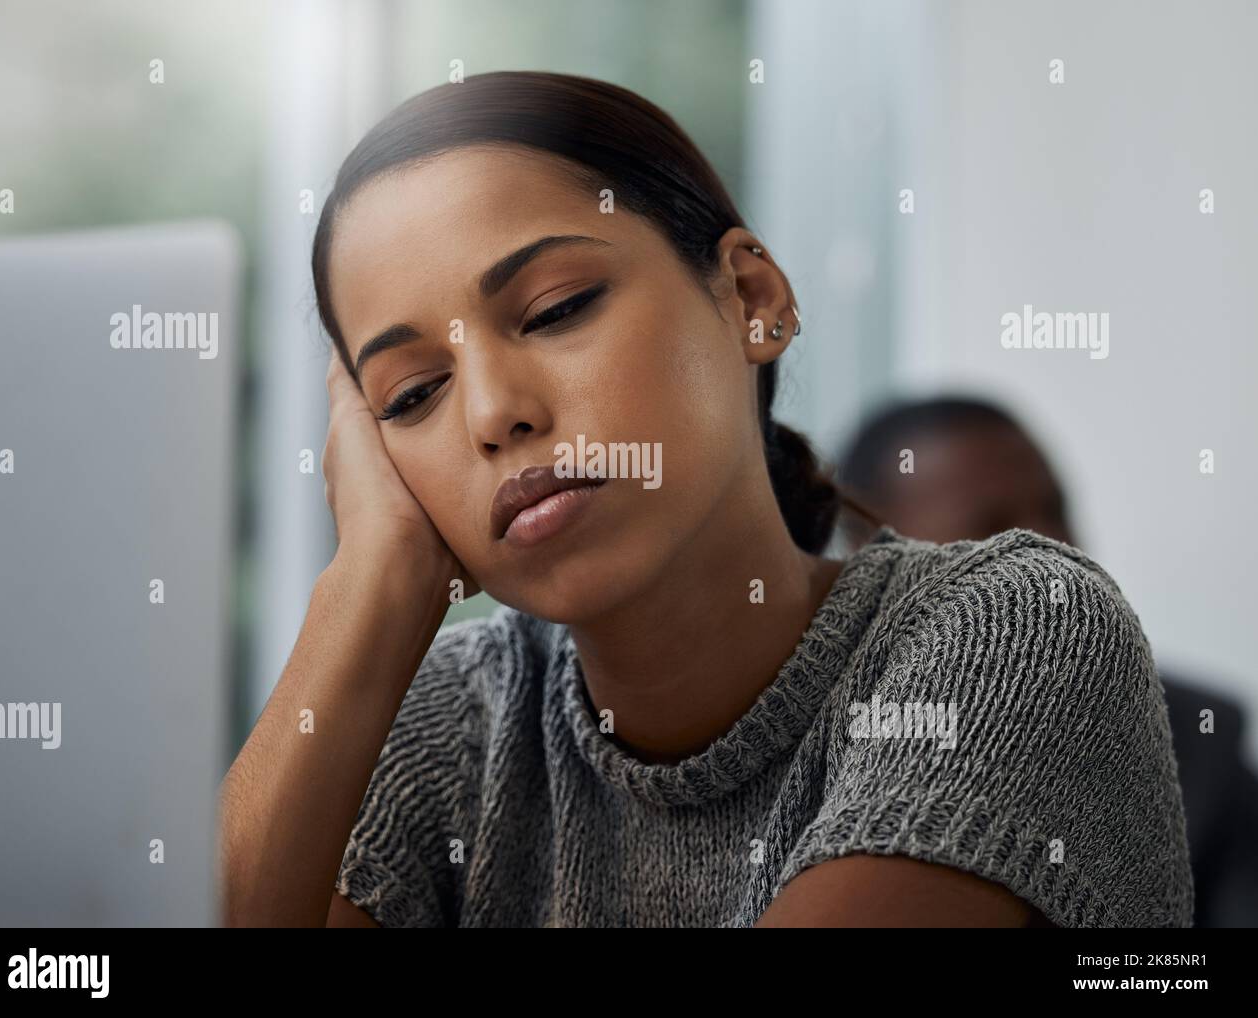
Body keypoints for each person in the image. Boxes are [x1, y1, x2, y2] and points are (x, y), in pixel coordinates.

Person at [218, 71, 1192, 927]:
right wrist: (367, 593)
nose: (491, 413)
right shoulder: (453, 721)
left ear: (752, 296)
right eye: (412, 394)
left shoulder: (1018, 627)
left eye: (556, 310)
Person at [836, 395, 1258, 928]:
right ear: (870, 554)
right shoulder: (817, 758)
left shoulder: (1194, 746)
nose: (1054, 550)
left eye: (1055, 510)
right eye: (995, 527)